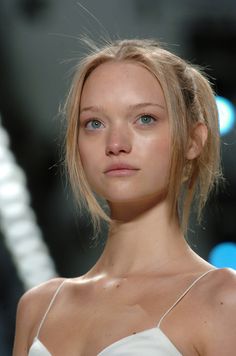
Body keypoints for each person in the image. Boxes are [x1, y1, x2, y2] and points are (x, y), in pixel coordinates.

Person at [13, 39, 236, 356]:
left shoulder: (222, 299)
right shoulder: (38, 306)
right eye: (94, 123)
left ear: (193, 140)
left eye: (145, 119)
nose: (115, 143)